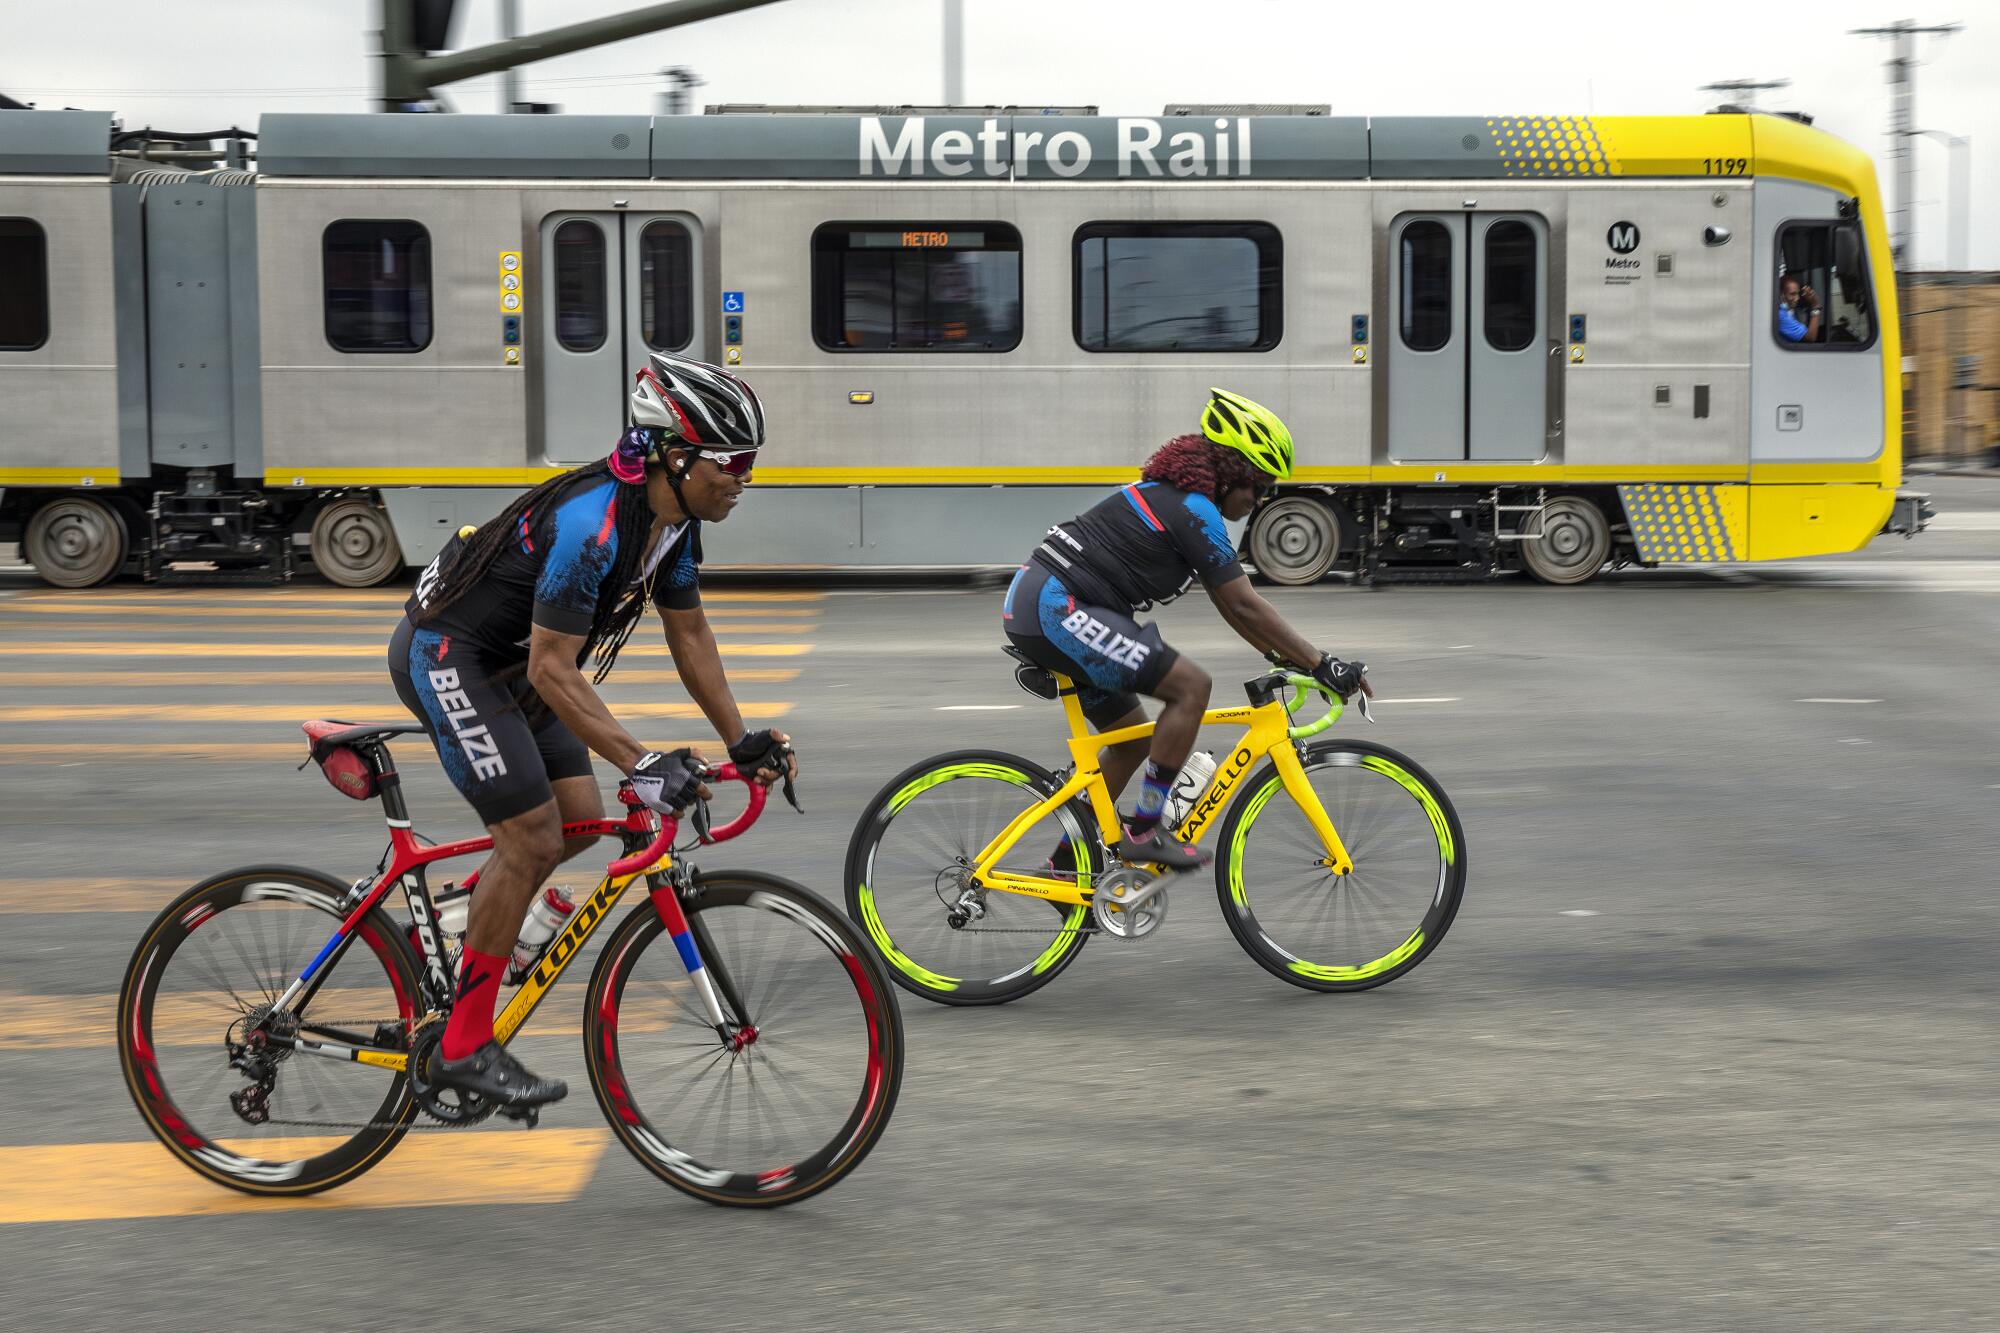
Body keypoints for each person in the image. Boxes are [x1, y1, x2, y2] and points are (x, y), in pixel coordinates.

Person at [388, 352, 798, 1111]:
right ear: (676, 456)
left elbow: (692, 634)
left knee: (573, 824)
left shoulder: (670, 523)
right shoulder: (594, 527)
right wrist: (642, 759)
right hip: (452, 655)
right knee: (533, 837)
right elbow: (553, 668)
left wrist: (741, 739)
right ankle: (462, 1045)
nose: (744, 477)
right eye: (732, 462)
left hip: (511, 668)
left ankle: (449, 923)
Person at [1002, 388, 1373, 872]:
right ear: (1233, 473)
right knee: (1191, 687)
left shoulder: (1180, 503)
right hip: (1056, 608)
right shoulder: (1193, 509)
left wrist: (1284, 658)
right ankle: (1144, 829)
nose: (1259, 499)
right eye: (1258, 486)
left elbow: (1230, 603)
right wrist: (1322, 663)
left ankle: (1066, 866)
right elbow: (1244, 602)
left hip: (1044, 606)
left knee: (1134, 739)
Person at [1777, 274, 1822, 343]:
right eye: (1792, 294)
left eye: (1798, 294)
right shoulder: (1780, 315)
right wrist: (1815, 306)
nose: (1797, 298)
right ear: (1781, 295)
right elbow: (1810, 337)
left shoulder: (1785, 311)